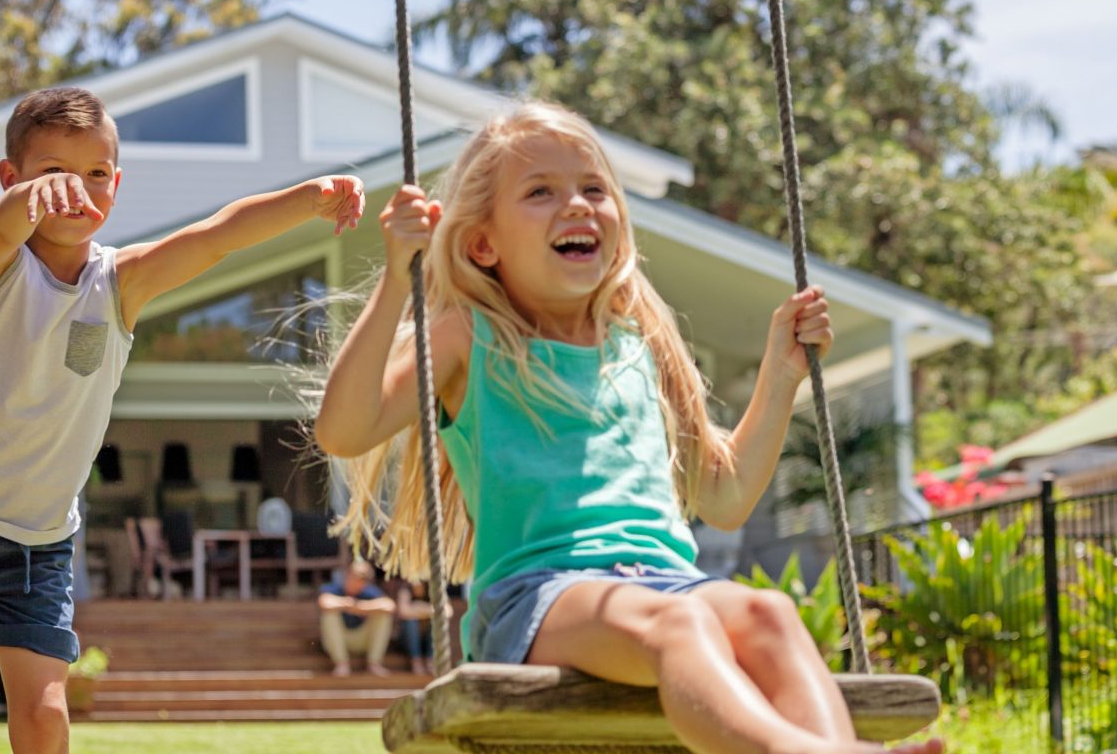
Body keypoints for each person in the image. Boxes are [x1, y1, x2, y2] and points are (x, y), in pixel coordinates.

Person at [315, 102, 943, 754]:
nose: (579, 206)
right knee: (681, 624)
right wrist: (397, 278)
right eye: (541, 193)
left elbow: (723, 497)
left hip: (668, 580)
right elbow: (344, 429)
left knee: (769, 612)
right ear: (483, 243)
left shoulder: (640, 345)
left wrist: (780, 375)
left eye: (594, 189)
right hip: (538, 597)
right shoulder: (467, 337)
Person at [0, 86, 365, 754]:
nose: (74, 191)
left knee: (45, 712)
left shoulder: (121, 283)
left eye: (94, 175)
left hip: (37, 543)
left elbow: (216, 238)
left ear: (115, 185)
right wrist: (27, 205)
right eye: (53, 174)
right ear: (12, 180)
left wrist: (311, 195)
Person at [317, 559, 396, 677]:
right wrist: (348, 604)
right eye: (355, 576)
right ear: (348, 575)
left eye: (362, 578)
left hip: (362, 639)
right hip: (340, 639)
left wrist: (361, 607)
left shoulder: (370, 591)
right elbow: (324, 602)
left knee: (383, 616)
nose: (357, 581)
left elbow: (390, 606)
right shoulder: (334, 588)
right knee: (329, 614)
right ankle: (341, 664)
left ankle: (374, 663)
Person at [396, 578, 437, 675]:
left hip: (426, 641)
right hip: (407, 641)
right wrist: (429, 611)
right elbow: (404, 612)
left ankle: (430, 662)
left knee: (435, 622)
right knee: (410, 622)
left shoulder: (433, 590)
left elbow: (447, 612)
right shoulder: (405, 590)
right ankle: (416, 662)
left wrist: (417, 608)